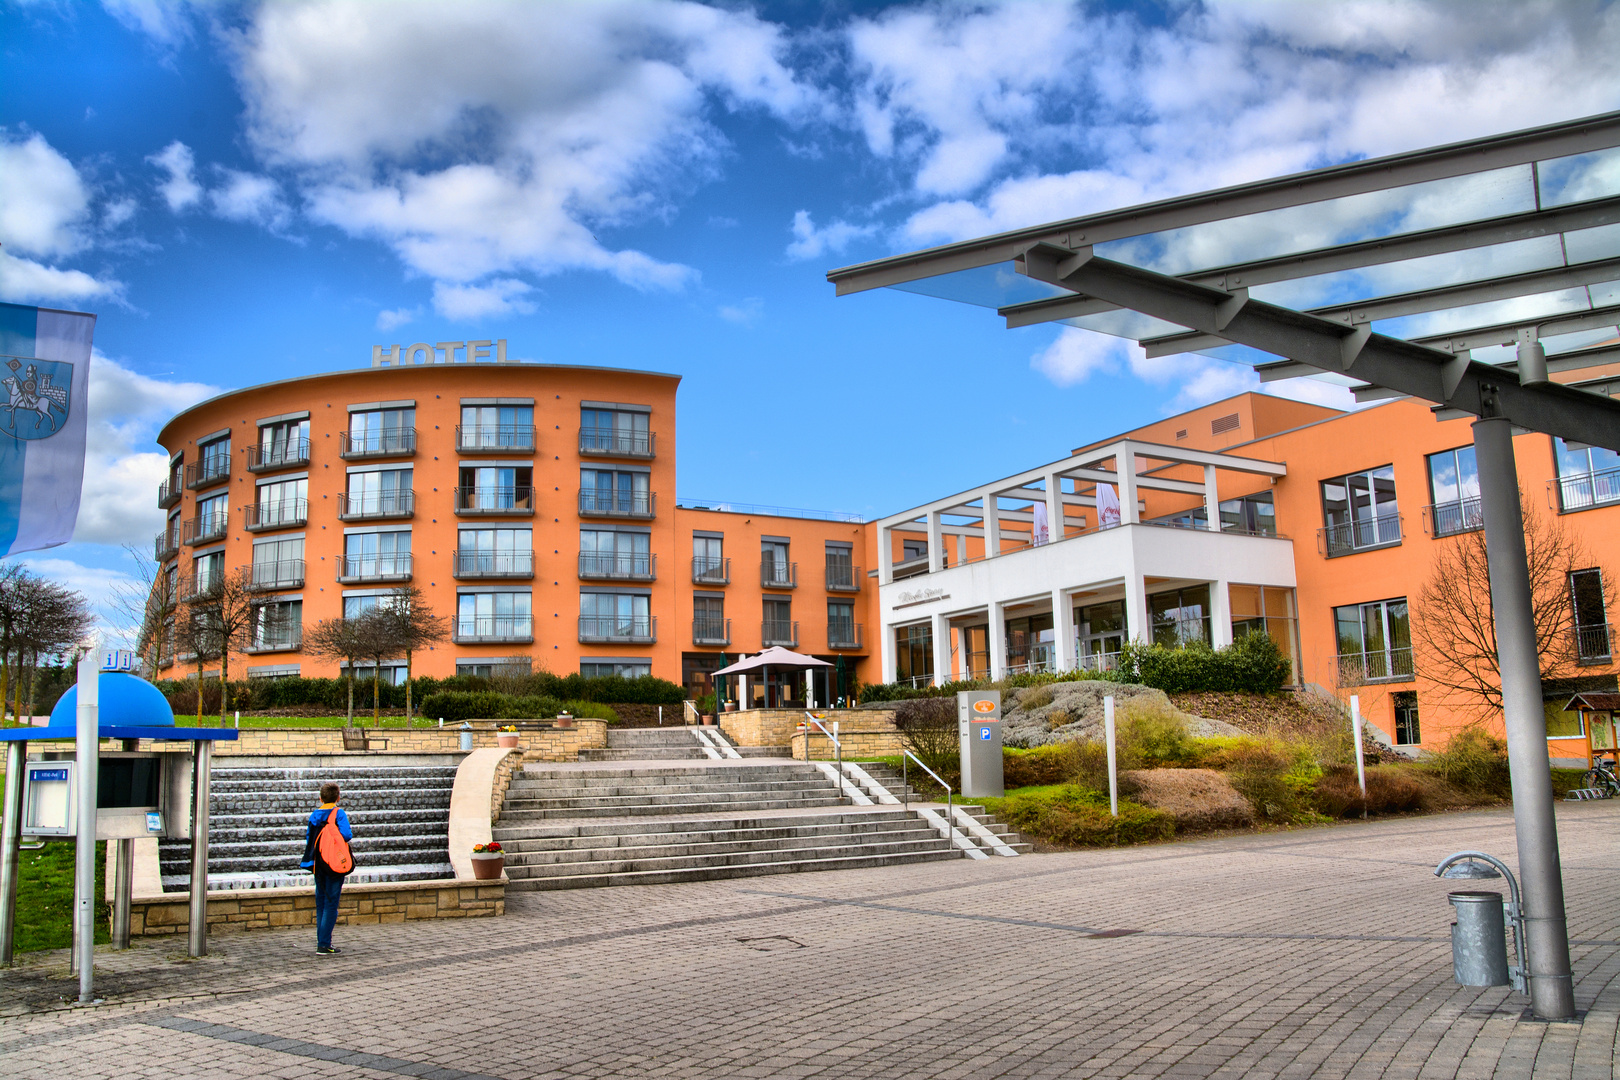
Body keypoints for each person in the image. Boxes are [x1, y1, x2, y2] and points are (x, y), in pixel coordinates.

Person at [300, 782, 353, 955]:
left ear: (320, 798)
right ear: (338, 798)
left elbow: (310, 838)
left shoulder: (314, 815)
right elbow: (346, 835)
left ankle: (321, 942)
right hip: (334, 864)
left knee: (321, 902)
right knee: (331, 903)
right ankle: (324, 944)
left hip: (318, 863)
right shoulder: (339, 813)